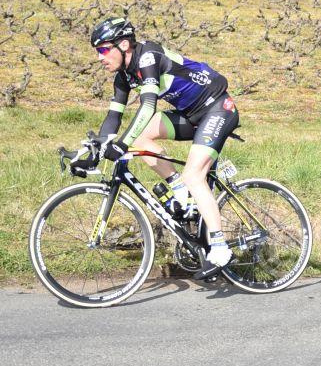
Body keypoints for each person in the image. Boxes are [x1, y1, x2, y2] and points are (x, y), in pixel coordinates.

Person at [89, 17, 239, 278]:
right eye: (97, 52)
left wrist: (120, 144)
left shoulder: (148, 57)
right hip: (191, 115)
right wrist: (96, 148)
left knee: (194, 174)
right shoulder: (123, 75)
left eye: (103, 50)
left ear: (123, 44)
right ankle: (180, 191)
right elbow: (114, 117)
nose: (100, 57)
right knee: (141, 139)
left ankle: (220, 247)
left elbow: (148, 107)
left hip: (217, 108)